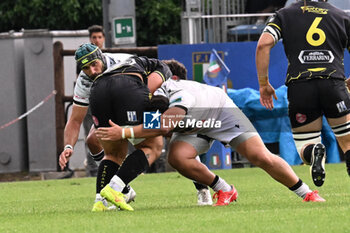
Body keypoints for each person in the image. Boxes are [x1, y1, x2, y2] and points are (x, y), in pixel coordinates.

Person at [95, 75, 325, 211]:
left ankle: (307, 193)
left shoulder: (180, 98)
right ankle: (224, 189)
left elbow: (163, 127)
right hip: (195, 125)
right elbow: (154, 127)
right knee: (177, 157)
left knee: (260, 157)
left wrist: (122, 132)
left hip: (220, 113)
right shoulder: (150, 100)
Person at [255, 0, 350, 186]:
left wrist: (263, 84)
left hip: (300, 87)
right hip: (333, 84)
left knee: (305, 146)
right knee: (347, 143)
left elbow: (262, 45)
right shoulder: (342, 16)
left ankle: (314, 151)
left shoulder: (284, 14)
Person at [58, 43, 160, 211]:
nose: (92, 71)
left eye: (94, 64)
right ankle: (114, 191)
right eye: (85, 68)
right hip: (112, 107)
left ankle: (117, 188)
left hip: (137, 101)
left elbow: (155, 73)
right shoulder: (84, 81)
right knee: (93, 140)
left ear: (102, 57)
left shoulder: (124, 61)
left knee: (158, 144)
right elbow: (75, 120)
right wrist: (68, 146)